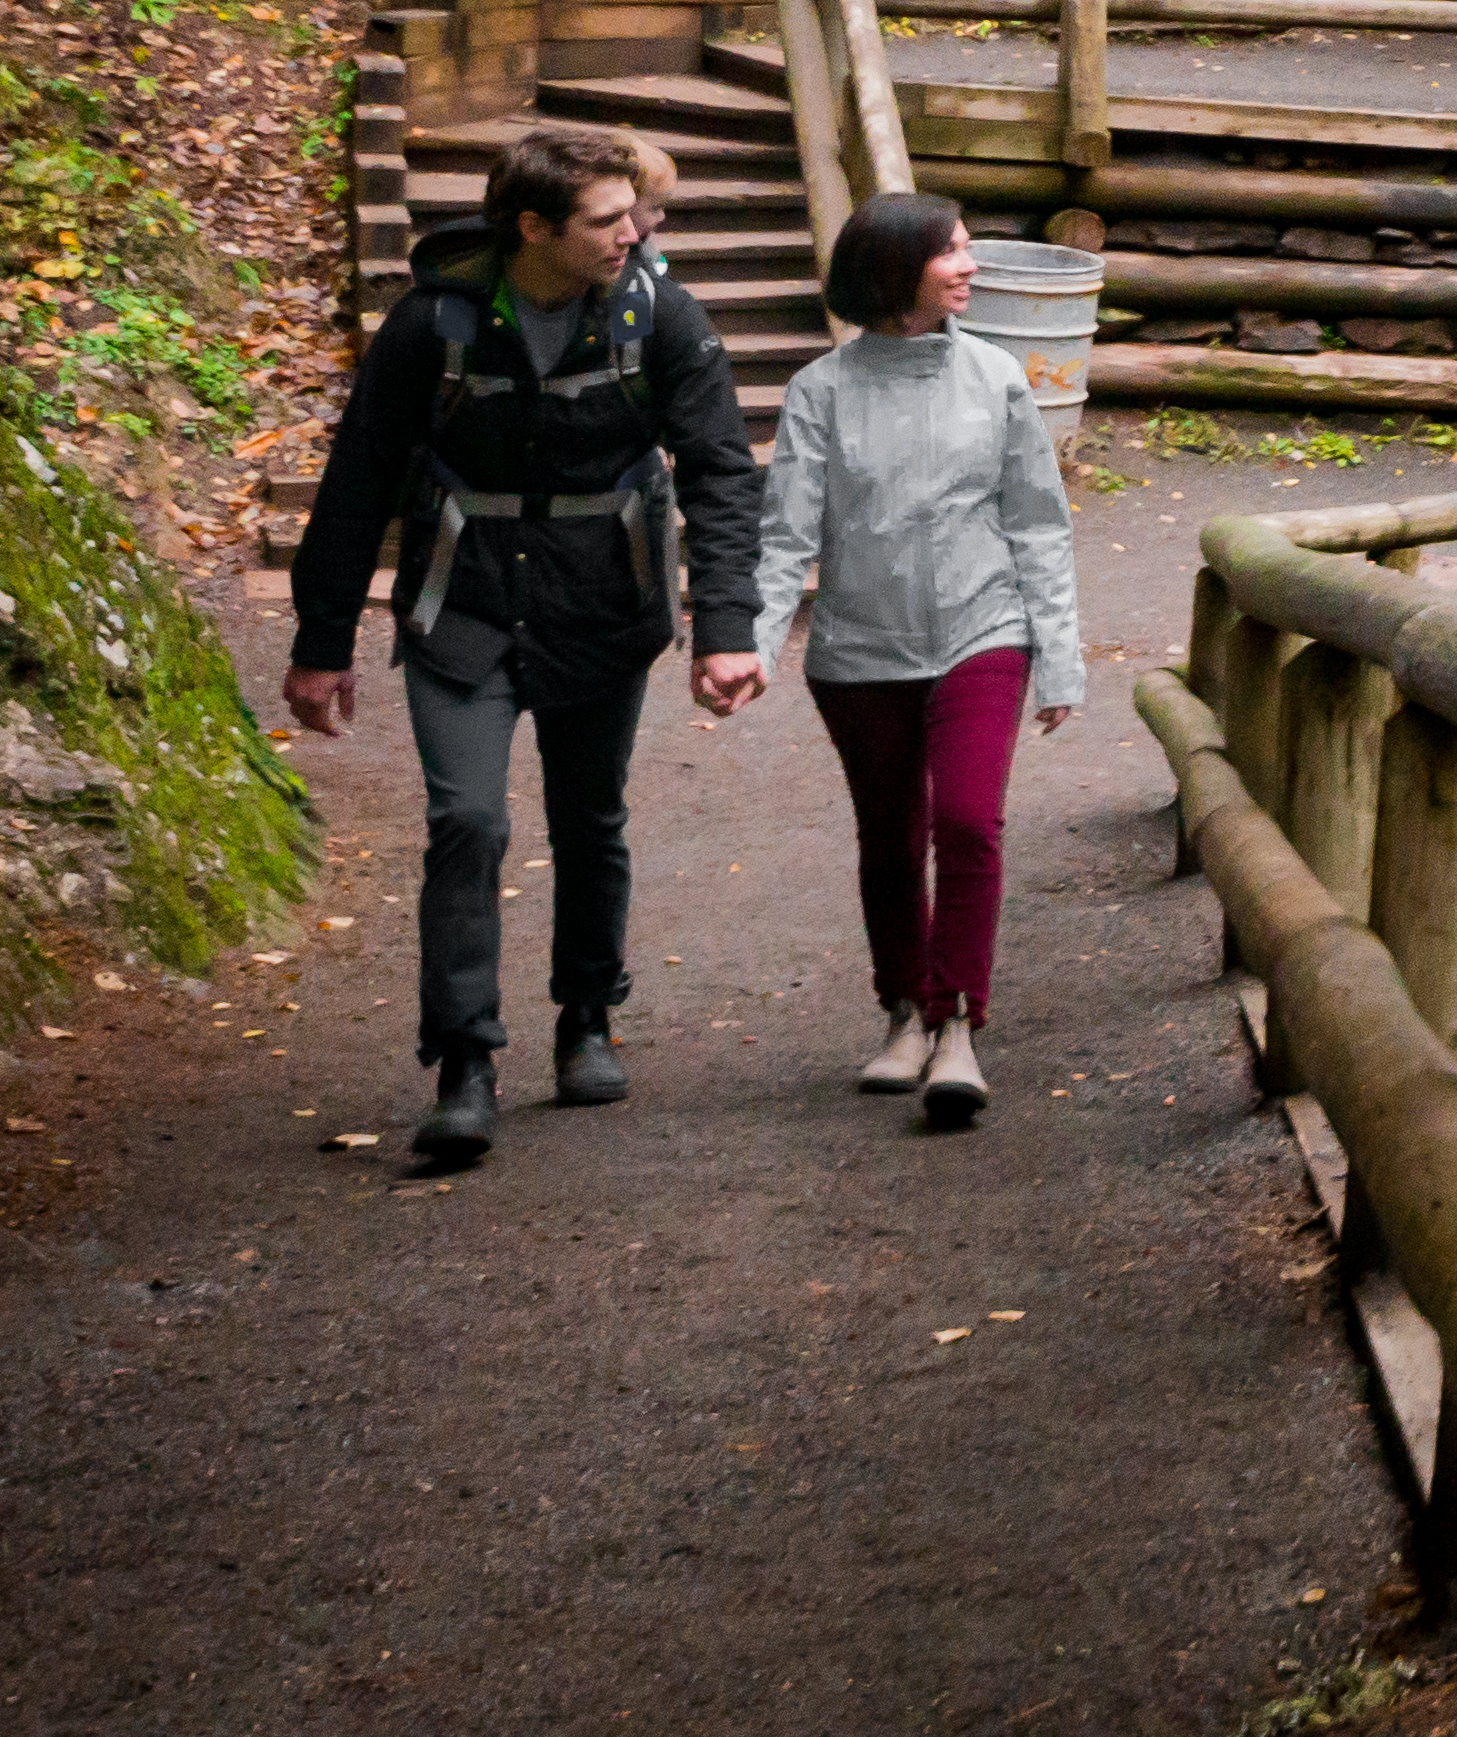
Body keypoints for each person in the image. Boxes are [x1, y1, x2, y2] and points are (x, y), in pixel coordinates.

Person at [285, 127, 767, 1165]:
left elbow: (722, 472)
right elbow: (358, 473)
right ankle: (463, 1060)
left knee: (590, 815)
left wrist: (724, 628)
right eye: (607, 219)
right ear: (533, 227)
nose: (634, 233)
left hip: (603, 601)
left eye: (632, 213)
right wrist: (322, 637)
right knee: (467, 818)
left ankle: (587, 1014)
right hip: (460, 603)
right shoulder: (436, 323)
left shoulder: (661, 314)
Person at [751, 194, 1084, 1130]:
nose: (971, 266)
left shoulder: (996, 378)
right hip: (859, 648)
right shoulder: (823, 389)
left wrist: (1059, 658)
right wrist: (760, 641)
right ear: (898, 270)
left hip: (983, 631)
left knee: (970, 824)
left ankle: (958, 1028)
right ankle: (904, 1010)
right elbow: (786, 537)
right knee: (890, 837)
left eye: (970, 248)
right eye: (954, 253)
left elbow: (1038, 527)